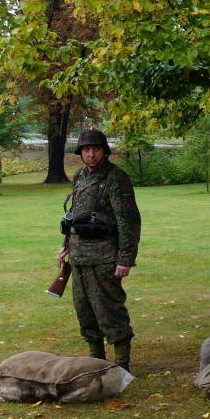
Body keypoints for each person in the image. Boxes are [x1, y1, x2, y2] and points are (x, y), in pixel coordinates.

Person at [56, 130, 141, 371]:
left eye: (95, 149)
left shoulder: (116, 178)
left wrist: (125, 259)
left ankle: (122, 365)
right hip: (79, 256)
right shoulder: (80, 176)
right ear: (80, 153)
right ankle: (96, 361)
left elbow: (128, 221)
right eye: (85, 150)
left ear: (104, 151)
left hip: (105, 257)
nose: (90, 154)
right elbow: (74, 216)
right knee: (84, 310)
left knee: (109, 310)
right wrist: (64, 247)